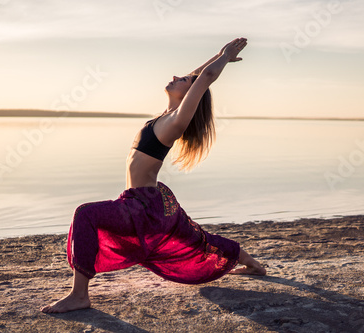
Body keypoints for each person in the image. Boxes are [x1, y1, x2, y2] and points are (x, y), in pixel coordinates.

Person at [41, 37, 266, 313]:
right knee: (197, 239)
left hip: (143, 207)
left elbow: (204, 78)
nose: (175, 77)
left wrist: (224, 58)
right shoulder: (166, 115)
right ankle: (254, 264)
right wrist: (218, 54)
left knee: (85, 214)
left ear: (189, 93)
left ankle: (79, 295)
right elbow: (198, 76)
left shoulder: (175, 123)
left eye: (182, 80)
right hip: (148, 201)